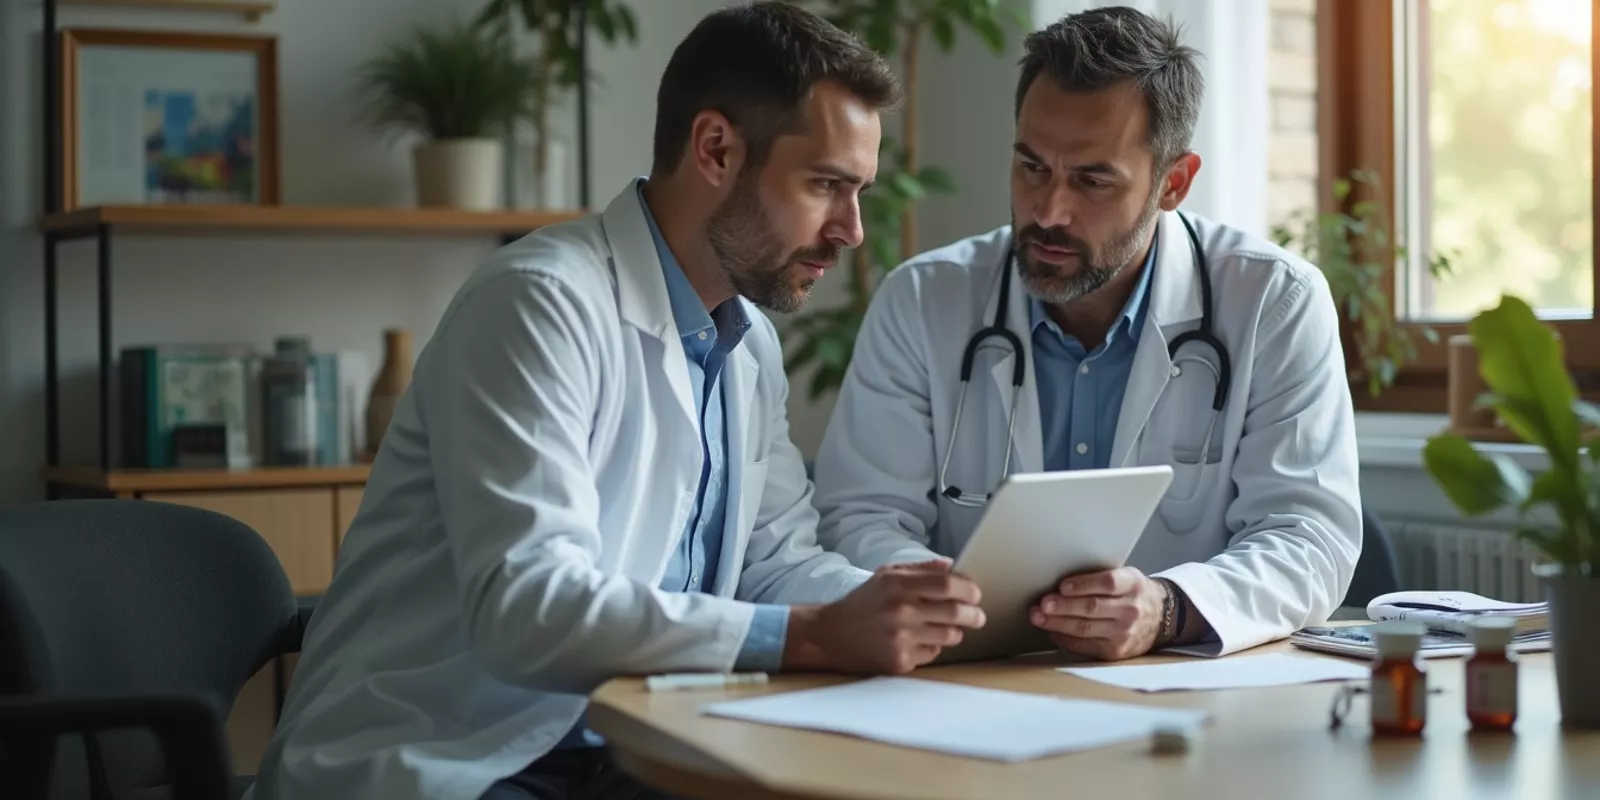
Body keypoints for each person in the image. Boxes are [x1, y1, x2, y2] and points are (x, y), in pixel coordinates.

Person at [246, 5, 986, 799]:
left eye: (860, 192)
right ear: (716, 149)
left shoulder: (747, 342)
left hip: (630, 744)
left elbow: (774, 563)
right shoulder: (539, 303)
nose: (853, 231)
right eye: (827, 186)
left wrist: (924, 608)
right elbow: (528, 606)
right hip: (452, 753)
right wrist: (811, 636)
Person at [811, 6, 1362, 663]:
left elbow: (1309, 537)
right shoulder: (923, 300)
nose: (1048, 211)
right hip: (973, 686)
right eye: (1031, 167)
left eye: (1092, 180)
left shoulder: (1274, 301)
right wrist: (944, 602)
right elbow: (859, 518)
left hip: (1183, 700)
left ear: (1173, 184)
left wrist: (1166, 610)